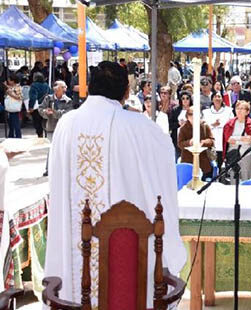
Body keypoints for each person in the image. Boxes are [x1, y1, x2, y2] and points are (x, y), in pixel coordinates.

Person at [45, 61, 186, 308]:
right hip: (128, 274)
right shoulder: (139, 126)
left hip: (74, 284)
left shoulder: (66, 125)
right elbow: (166, 153)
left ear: (89, 88)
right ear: (126, 93)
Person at [222, 101, 251, 181]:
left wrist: (236, 139)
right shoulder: (230, 123)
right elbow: (229, 139)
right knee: (233, 180)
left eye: (242, 109)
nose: (239, 111)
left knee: (245, 179)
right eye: (237, 108)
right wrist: (242, 138)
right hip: (233, 155)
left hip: (246, 155)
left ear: (247, 112)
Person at [178, 107, 215, 179]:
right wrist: (189, 142)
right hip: (188, 162)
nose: (193, 116)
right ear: (187, 116)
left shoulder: (204, 126)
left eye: (195, 114)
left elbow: (212, 141)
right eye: (190, 114)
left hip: (203, 162)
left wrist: (202, 142)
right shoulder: (183, 128)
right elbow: (180, 144)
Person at [203, 91, 234, 168]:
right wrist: (213, 125)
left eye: (219, 96)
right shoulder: (206, 112)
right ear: (212, 99)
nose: (217, 98)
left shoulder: (228, 111)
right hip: (211, 142)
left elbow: (232, 124)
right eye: (215, 96)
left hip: (224, 141)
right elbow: (202, 126)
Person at [28, 72, 51, 138]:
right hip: (46, 105)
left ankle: (40, 135)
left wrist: (30, 107)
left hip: (37, 106)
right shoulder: (46, 85)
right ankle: (45, 134)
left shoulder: (34, 85)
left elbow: (33, 97)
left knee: (37, 122)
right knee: (44, 121)